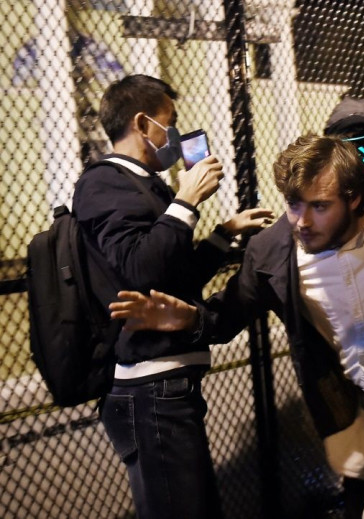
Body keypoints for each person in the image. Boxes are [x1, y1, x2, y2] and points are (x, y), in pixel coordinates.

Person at [107, 133, 364, 519]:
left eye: (319, 206)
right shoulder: (273, 251)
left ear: (353, 198)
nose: (302, 221)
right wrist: (189, 319)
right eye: (294, 203)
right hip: (360, 404)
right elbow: (228, 315)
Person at [72, 74, 274, 519]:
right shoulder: (104, 183)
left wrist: (224, 234)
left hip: (167, 382)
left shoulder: (146, 184)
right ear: (144, 124)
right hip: (149, 386)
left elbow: (172, 277)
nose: (177, 135)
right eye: (171, 122)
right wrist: (186, 200)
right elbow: (139, 270)